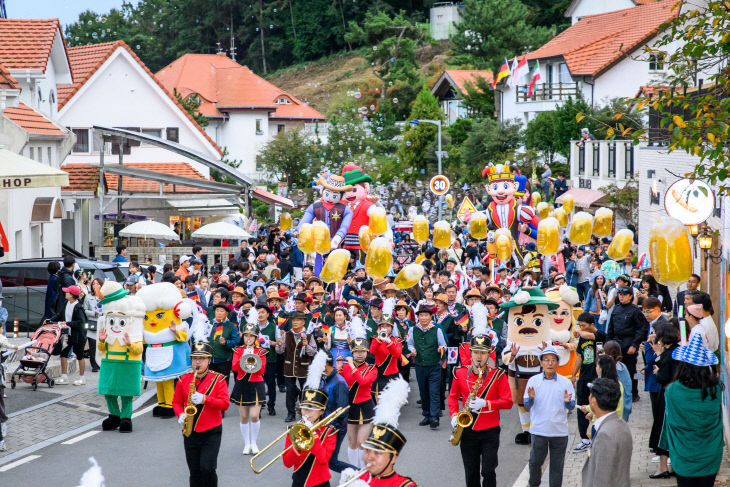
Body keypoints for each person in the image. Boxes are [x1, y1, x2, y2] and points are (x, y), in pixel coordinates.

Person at [449, 326, 512, 487]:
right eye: (476, 352)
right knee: (471, 471)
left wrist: (487, 403)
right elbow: (453, 397)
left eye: (483, 353)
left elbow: (508, 402)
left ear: (489, 354)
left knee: (488, 470)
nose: (479, 356)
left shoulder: (497, 374)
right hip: (468, 429)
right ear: (470, 353)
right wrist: (454, 415)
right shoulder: (460, 372)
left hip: (490, 429)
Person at [660, 333, 723, 486]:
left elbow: (670, 420)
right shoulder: (716, 388)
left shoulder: (672, 391)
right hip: (711, 453)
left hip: (683, 455)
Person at [340, 377, 418, 487]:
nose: (370, 457)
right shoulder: (358, 479)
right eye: (367, 450)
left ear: (393, 458)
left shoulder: (406, 485)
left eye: (378, 453)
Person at [173, 342, 230, 487]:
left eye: (201, 358)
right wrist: (180, 414)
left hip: (211, 431)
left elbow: (225, 404)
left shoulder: (219, 380)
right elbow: (176, 402)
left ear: (209, 360)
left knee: (207, 468)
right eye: (194, 358)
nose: (197, 362)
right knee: (194, 471)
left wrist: (205, 399)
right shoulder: (183, 379)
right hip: (190, 431)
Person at [281, 350, 338, 487]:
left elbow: (324, 459)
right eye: (304, 409)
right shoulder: (294, 429)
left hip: (320, 482)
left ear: (321, 411)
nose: (307, 413)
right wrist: (298, 445)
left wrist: (314, 437)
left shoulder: (330, 432)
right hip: (299, 481)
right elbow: (287, 463)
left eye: (312, 410)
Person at [96, 281, 145, 433]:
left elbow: (139, 350)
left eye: (120, 321)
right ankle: (114, 415)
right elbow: (101, 348)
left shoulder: (133, 329)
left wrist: (130, 344)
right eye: (113, 321)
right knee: (109, 392)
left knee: (126, 394)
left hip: (128, 363)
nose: (116, 325)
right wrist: (102, 341)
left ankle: (125, 418)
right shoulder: (106, 329)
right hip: (110, 362)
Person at [524, 346, 575, 487]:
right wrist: (531, 398)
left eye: (553, 360)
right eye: (546, 360)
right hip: (539, 430)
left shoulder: (565, 382)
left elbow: (571, 406)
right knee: (535, 462)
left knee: (556, 467)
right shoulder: (533, 381)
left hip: (559, 432)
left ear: (558, 363)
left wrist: (568, 402)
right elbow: (526, 404)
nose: (550, 363)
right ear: (541, 363)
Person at [580, 378, 632, 487]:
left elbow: (602, 478)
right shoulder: (621, 425)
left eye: (591, 394)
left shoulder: (605, 435)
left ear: (593, 401)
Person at [340, 319, 377, 469]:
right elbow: (342, 384)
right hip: (350, 406)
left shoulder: (372, 368)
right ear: (352, 352)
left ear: (367, 352)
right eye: (356, 351)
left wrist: (350, 366)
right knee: (351, 441)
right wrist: (339, 370)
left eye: (362, 351)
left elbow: (362, 382)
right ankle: (353, 471)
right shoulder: (347, 366)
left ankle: (363, 471)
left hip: (365, 406)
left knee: (362, 441)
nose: (359, 354)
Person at [647, 323, 680, 479]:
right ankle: (672, 466)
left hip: (667, 397)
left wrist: (658, 370)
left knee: (662, 430)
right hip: (672, 396)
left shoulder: (670, 354)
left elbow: (663, 377)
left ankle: (662, 468)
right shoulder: (675, 351)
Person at [570, 312, 605, 453]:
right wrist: (574, 375)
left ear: (592, 325)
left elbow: (589, 336)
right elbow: (579, 356)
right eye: (579, 325)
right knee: (581, 407)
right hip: (583, 377)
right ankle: (584, 439)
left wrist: (578, 331)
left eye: (583, 325)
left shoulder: (600, 335)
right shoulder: (582, 338)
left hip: (597, 377)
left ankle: (597, 436)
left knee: (596, 406)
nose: (581, 328)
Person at [407, 304, 447, 430]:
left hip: (434, 365)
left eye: (426, 315)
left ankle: (434, 417)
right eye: (421, 315)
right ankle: (427, 415)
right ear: (418, 317)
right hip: (420, 365)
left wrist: (441, 348)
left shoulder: (437, 330)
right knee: (423, 391)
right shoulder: (413, 330)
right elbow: (409, 344)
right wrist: (412, 350)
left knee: (433, 392)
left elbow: (443, 344)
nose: (423, 318)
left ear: (430, 317)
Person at [231, 321, 267, 455]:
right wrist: (243, 356)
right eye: (246, 335)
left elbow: (261, 370)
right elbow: (234, 367)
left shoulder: (261, 351)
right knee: (244, 416)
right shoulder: (238, 350)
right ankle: (247, 443)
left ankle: (254, 442)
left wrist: (253, 357)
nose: (248, 338)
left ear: (256, 337)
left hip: (256, 383)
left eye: (251, 336)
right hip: (242, 383)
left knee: (254, 415)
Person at [606, 286, 648, 402]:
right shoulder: (616, 309)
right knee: (614, 370)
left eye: (624, 294)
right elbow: (611, 327)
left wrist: (634, 345)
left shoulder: (635, 310)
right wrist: (607, 344)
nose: (621, 296)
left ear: (630, 296)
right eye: (620, 294)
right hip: (616, 344)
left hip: (628, 343)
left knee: (630, 370)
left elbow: (641, 329)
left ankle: (633, 393)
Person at [276, 310, 317, 422]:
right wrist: (279, 345)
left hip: (304, 367)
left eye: (298, 320)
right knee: (290, 391)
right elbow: (279, 351)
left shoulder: (309, 336)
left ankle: (305, 413)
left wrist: (307, 346)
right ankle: (291, 413)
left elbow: (313, 352)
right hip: (289, 367)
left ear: (303, 322)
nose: (295, 322)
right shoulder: (286, 334)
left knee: (306, 392)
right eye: (293, 320)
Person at [320, 351, 355, 473]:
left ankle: (363, 475)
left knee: (332, 462)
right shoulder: (324, 378)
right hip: (325, 425)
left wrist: (329, 426)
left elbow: (342, 410)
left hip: (335, 427)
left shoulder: (339, 382)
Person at [49, 285, 88, 386]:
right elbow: (60, 315)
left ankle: (82, 378)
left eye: (67, 292)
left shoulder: (78, 307)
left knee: (80, 356)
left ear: (72, 295)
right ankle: (64, 377)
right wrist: (51, 320)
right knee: (63, 355)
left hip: (78, 335)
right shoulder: (66, 303)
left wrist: (67, 323)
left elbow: (81, 322)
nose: (65, 293)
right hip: (67, 335)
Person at [369, 316, 404, 400]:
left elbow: (397, 355)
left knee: (391, 400)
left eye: (387, 326)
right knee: (378, 400)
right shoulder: (375, 339)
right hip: (378, 374)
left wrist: (389, 342)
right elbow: (372, 351)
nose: (385, 328)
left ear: (392, 328)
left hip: (392, 374)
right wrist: (379, 339)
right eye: (382, 326)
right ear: (379, 328)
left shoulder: (397, 340)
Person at [207, 302, 240, 387]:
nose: (219, 313)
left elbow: (236, 342)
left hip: (224, 361)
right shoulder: (208, 324)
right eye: (217, 310)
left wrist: (226, 342)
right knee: (209, 385)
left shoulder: (231, 326)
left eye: (221, 311)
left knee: (222, 385)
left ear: (226, 313)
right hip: (208, 360)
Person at [257, 303, 281, 416]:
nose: (260, 314)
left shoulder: (274, 327)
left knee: (271, 383)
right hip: (256, 359)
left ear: (267, 314)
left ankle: (271, 405)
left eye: (262, 312)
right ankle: (259, 405)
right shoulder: (253, 326)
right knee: (257, 384)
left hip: (269, 359)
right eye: (258, 312)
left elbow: (279, 343)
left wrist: (273, 343)